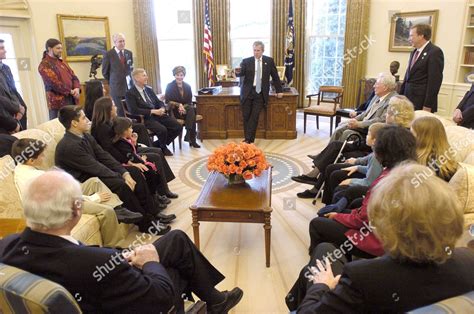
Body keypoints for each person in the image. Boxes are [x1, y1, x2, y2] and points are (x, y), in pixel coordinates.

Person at [0, 170, 244, 313]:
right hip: (121, 297)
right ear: (77, 210)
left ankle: (215, 301)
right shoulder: (101, 263)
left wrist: (119, 257)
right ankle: (213, 303)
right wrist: (149, 263)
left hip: (100, 282)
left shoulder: (7, 245)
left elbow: (71, 261)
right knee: (173, 272)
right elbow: (160, 296)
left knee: (176, 240)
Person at [286, 163, 474, 312]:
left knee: (321, 260)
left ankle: (295, 299)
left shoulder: (362, 278)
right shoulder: (469, 261)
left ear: (386, 227)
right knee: (325, 251)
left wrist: (321, 286)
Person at [55, 105, 174, 234]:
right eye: (84, 118)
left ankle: (154, 213)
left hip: (92, 172)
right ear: (74, 123)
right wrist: (121, 177)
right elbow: (95, 167)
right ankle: (146, 223)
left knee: (134, 173)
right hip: (84, 182)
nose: (88, 119)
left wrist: (125, 172)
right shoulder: (69, 146)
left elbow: (104, 156)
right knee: (120, 184)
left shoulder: (85, 136)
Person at [308, 126, 417, 260]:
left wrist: (337, 216)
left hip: (377, 241)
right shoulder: (409, 171)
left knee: (316, 223)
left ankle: (318, 263)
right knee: (353, 203)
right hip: (391, 234)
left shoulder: (386, 181)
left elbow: (362, 219)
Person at [11, 138, 134, 247]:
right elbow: (67, 197)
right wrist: (95, 198)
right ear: (31, 160)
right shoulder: (37, 176)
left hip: (58, 196)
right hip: (58, 206)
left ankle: (118, 208)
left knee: (94, 182)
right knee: (107, 211)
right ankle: (114, 245)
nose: (44, 157)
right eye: (42, 155)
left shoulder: (20, 168)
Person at [294, 95, 414, 198]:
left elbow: (375, 154)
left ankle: (317, 184)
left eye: (388, 112)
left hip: (367, 153)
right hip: (366, 149)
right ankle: (316, 180)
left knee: (335, 154)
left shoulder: (392, 134)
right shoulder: (394, 128)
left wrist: (357, 161)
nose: (385, 115)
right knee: (336, 148)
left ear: (394, 115)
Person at [91, 96, 178, 204]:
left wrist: (133, 143)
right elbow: (110, 150)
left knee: (158, 151)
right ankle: (159, 193)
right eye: (113, 105)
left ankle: (163, 190)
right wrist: (130, 161)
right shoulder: (101, 128)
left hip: (126, 150)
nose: (116, 107)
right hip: (122, 156)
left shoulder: (109, 122)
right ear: (107, 109)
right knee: (155, 156)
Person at [316, 122, 385, 214]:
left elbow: (369, 181)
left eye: (368, 134)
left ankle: (334, 208)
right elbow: (371, 169)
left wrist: (351, 181)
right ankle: (329, 205)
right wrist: (358, 167)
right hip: (368, 174)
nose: (366, 136)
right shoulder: (375, 152)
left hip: (371, 185)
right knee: (331, 168)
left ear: (374, 140)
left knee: (336, 175)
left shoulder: (376, 157)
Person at [112, 117, 171, 203]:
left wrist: (134, 142)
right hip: (127, 164)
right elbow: (131, 156)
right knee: (150, 172)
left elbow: (133, 152)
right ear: (124, 131)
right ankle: (154, 199)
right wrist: (142, 161)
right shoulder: (121, 143)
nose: (132, 130)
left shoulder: (125, 140)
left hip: (133, 160)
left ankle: (158, 194)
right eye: (130, 128)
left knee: (153, 168)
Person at [235, 41, 283, 144]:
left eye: (258, 50)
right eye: (254, 50)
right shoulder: (246, 61)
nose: (256, 52)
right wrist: (237, 72)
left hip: (260, 93)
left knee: (255, 116)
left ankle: (247, 140)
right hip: (247, 92)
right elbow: (240, 74)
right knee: (246, 116)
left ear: (262, 51)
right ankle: (249, 140)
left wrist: (279, 90)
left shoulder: (269, 61)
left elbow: (275, 76)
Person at [328, 72, 397, 143]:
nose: (374, 86)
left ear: (385, 87)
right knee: (341, 125)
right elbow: (366, 112)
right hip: (362, 124)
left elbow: (381, 120)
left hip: (369, 130)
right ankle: (332, 152)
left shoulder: (393, 100)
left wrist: (359, 124)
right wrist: (354, 120)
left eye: (377, 84)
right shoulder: (377, 96)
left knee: (340, 130)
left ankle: (331, 153)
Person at [126, 68, 181, 156]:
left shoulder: (148, 89)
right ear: (136, 78)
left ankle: (156, 145)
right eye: (144, 75)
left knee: (177, 126)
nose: (147, 77)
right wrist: (152, 111)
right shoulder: (130, 93)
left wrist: (162, 108)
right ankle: (163, 148)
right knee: (162, 130)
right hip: (146, 117)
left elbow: (158, 101)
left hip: (159, 114)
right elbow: (133, 110)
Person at [83, 79, 152, 147]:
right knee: (140, 127)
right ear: (97, 90)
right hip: (112, 128)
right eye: (103, 88)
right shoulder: (96, 106)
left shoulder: (101, 102)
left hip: (113, 124)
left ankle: (140, 146)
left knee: (138, 126)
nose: (105, 90)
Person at [400, 24, 444, 112]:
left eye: (411, 35)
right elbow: (408, 76)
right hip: (407, 99)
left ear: (421, 36)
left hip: (421, 102)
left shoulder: (435, 52)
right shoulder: (414, 52)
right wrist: (400, 96)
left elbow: (434, 82)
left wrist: (428, 105)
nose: (409, 39)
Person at [38, 38, 81, 119]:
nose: (61, 50)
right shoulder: (44, 65)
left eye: (61, 48)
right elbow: (54, 83)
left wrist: (76, 88)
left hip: (72, 99)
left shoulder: (62, 62)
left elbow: (73, 76)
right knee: (59, 128)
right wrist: (71, 91)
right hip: (58, 103)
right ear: (49, 49)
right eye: (58, 48)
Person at [411, 116, 459, 181]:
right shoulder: (444, 162)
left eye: (412, 133)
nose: (409, 137)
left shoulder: (432, 164)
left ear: (424, 138)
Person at [165, 66, 200, 148]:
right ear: (174, 75)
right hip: (175, 111)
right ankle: (191, 139)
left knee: (191, 109)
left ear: (184, 76)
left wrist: (183, 107)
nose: (179, 77)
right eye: (177, 75)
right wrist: (179, 105)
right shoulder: (169, 86)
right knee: (192, 113)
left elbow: (189, 101)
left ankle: (188, 135)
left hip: (186, 110)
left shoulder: (187, 86)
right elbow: (168, 101)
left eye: (181, 75)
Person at [102, 33, 133, 117]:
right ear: (115, 42)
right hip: (116, 87)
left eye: (123, 41)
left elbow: (130, 68)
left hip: (128, 87)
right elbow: (105, 72)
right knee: (120, 111)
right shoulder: (108, 54)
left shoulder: (129, 53)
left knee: (130, 109)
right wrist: (113, 80)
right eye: (120, 41)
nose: (122, 43)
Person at [0, 38, 27, 129]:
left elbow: (12, 90)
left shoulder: (6, 68)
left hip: (17, 111)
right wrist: (16, 107)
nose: (5, 51)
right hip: (5, 115)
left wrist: (21, 107)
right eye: (1, 48)